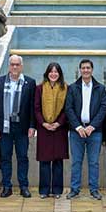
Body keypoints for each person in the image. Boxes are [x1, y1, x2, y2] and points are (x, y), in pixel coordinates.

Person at [0, 55, 37, 198]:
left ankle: (24, 186)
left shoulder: (29, 83)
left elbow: (32, 107)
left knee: (23, 157)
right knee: (5, 157)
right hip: (4, 127)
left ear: (21, 66)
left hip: (22, 127)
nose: (15, 67)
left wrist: (32, 126)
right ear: (9, 66)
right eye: (12, 64)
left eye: (17, 64)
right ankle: (7, 186)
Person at [65, 59, 106, 200]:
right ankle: (74, 189)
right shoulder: (72, 88)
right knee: (76, 161)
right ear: (80, 70)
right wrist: (78, 127)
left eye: (88, 68)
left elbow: (103, 109)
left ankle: (94, 189)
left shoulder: (100, 88)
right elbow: (69, 108)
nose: (85, 70)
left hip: (94, 131)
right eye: (83, 68)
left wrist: (92, 126)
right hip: (76, 131)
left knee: (94, 162)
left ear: (92, 70)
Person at [34, 62, 69, 199]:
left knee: (58, 162)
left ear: (59, 74)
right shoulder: (40, 88)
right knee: (44, 161)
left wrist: (58, 123)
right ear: (47, 73)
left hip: (59, 129)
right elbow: (36, 108)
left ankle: (57, 190)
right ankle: (44, 190)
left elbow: (67, 108)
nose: (53, 74)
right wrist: (43, 123)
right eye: (51, 72)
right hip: (44, 129)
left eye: (56, 72)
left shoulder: (66, 88)